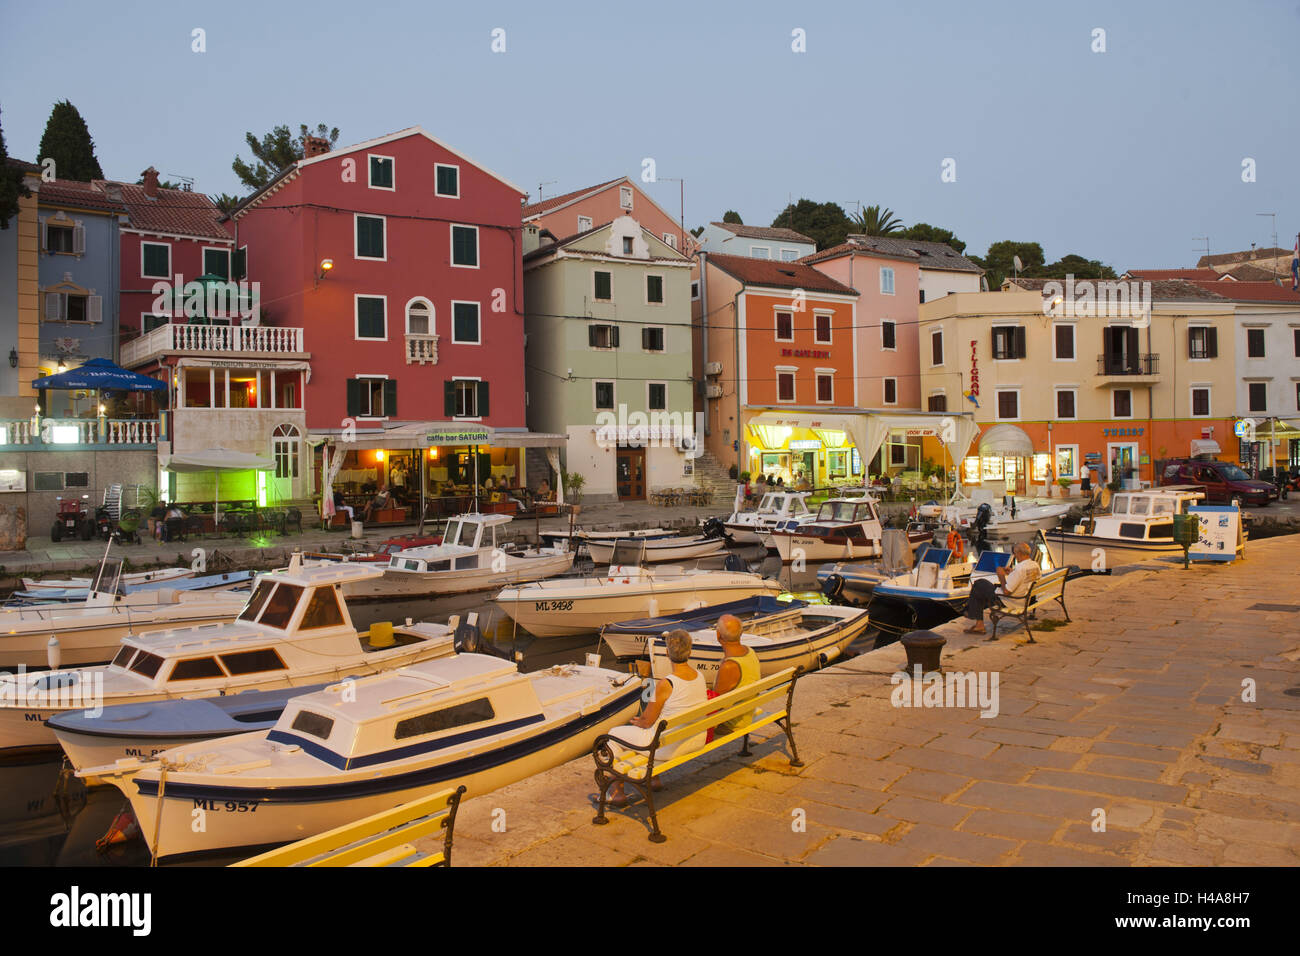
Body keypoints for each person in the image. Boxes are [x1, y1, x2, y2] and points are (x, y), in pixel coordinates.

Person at [603, 629, 707, 806]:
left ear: (667, 653)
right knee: (651, 730)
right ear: (690, 651)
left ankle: (616, 792)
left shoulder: (666, 683)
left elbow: (647, 721)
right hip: (695, 739)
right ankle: (653, 780)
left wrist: (638, 722)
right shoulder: (700, 676)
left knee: (612, 735)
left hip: (668, 748)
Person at [964, 541, 1040, 635]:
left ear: (1019, 553)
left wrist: (1001, 576)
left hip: (1011, 601)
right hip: (1026, 598)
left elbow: (1006, 592)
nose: (1015, 556)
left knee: (979, 584)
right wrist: (1012, 572)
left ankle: (974, 618)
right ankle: (972, 614)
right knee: (982, 587)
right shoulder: (1034, 565)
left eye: (1015, 553)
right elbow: (1025, 578)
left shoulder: (1020, 569)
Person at [710, 614, 760, 738]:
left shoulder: (729, 666)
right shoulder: (750, 651)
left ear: (718, 635)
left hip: (731, 725)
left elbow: (715, 705)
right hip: (747, 713)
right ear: (741, 633)